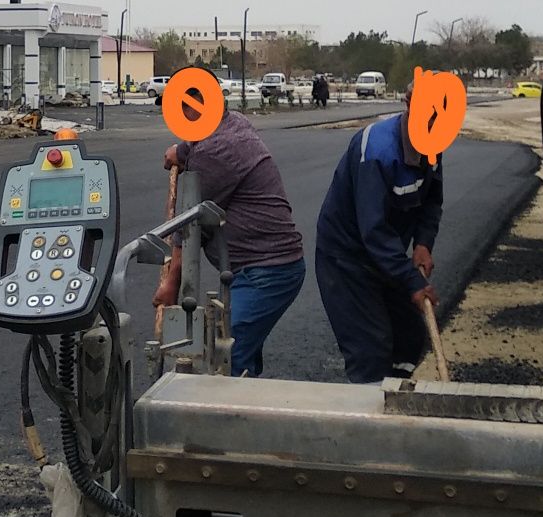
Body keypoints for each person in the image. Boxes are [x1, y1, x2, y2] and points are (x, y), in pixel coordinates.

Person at [156, 111, 305, 377]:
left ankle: (229, 415)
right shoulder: (231, 122)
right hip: (259, 268)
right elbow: (196, 146)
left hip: (267, 272)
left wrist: (171, 282)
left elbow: (193, 221)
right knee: (238, 352)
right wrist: (182, 151)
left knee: (223, 358)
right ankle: (247, 403)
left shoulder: (215, 152)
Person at [314, 95, 444, 383]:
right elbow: (372, 229)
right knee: (369, 348)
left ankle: (396, 398)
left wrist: (423, 242)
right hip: (347, 258)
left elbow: (432, 199)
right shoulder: (376, 151)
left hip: (388, 253)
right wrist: (412, 280)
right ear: (410, 106)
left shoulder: (434, 142)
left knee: (409, 335)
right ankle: (370, 415)